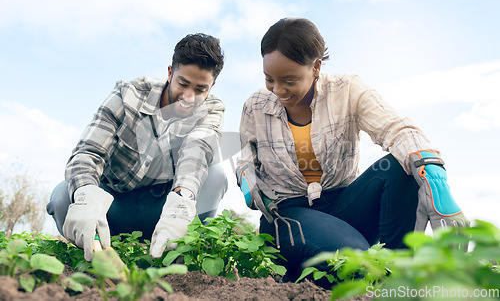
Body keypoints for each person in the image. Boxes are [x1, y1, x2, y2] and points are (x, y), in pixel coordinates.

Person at [235, 18, 469, 286]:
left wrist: (434, 174)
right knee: (352, 259)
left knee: (401, 167)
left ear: (316, 67)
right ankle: (311, 275)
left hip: (342, 206)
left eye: (289, 80)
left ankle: (400, 274)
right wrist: (246, 179)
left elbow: (397, 129)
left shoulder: (347, 90)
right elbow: (245, 159)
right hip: (288, 214)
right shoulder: (255, 106)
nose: (278, 90)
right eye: (269, 80)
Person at [47, 33, 228, 262]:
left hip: (161, 209)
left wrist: (180, 203)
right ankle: (95, 257)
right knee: (65, 194)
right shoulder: (128, 95)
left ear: (212, 85)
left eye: (201, 89)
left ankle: (177, 262)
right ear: (170, 72)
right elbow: (88, 153)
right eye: (183, 83)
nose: (188, 97)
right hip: (114, 204)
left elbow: (196, 154)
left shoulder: (212, 109)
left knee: (215, 175)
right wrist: (85, 195)